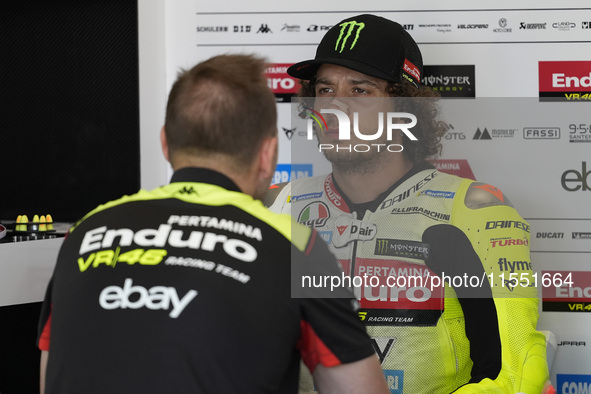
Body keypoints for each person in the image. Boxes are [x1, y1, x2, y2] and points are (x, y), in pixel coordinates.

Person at [37, 54, 389, 394]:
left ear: (165, 143)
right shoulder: (297, 247)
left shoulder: (82, 233)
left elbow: (49, 377)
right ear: (267, 154)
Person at [266, 14, 551, 394]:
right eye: (325, 89)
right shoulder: (281, 204)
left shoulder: (473, 209)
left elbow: (516, 374)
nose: (334, 107)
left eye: (360, 91)